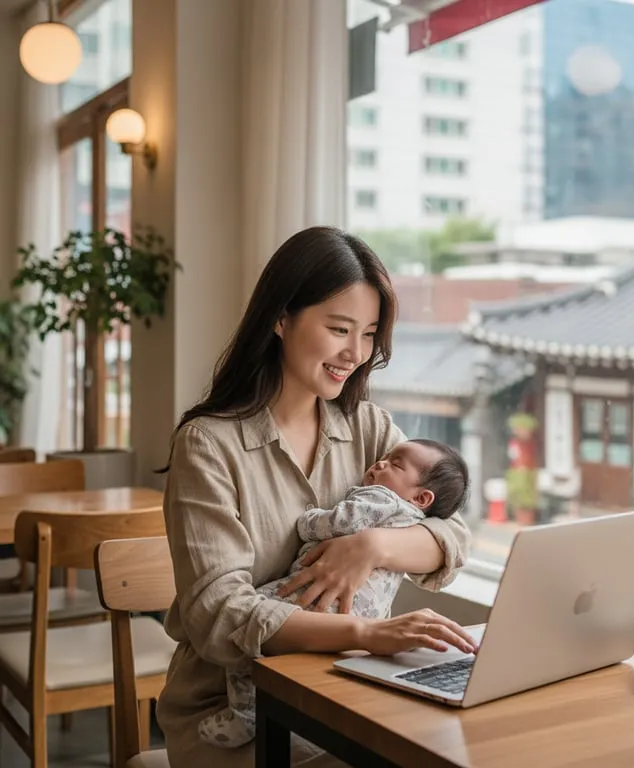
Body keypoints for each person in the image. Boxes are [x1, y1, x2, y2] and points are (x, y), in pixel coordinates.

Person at [157, 226, 475, 768]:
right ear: (281, 319)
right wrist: (367, 633)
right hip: (230, 714)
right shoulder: (207, 445)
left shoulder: (369, 428)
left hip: (345, 684)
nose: (356, 353)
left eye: (370, 334)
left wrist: (372, 547)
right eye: (339, 329)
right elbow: (218, 614)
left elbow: (450, 534)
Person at [199, 438, 470, 748]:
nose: (380, 463)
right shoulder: (413, 515)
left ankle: (245, 713)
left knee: (251, 627)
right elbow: (216, 607)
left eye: (394, 464)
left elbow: (454, 537)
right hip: (362, 617)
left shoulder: (380, 497)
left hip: (314, 600)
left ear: (422, 497)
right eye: (385, 458)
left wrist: (313, 523)